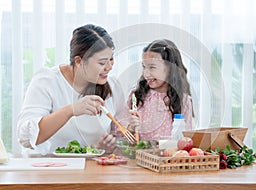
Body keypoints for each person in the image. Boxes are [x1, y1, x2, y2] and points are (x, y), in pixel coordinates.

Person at [17, 24, 125, 155]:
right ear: (79, 61)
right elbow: (26, 137)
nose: (109, 67)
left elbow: (122, 131)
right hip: (52, 169)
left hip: (96, 170)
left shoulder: (112, 85)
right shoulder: (47, 81)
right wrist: (71, 110)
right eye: (102, 63)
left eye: (111, 59)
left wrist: (110, 144)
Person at [119, 39, 193, 141]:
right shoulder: (136, 97)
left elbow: (186, 139)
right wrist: (130, 128)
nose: (146, 74)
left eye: (152, 67)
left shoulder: (184, 101)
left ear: (170, 68)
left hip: (168, 156)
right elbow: (120, 136)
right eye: (144, 67)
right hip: (138, 156)